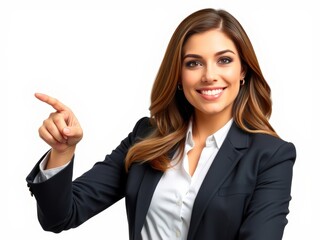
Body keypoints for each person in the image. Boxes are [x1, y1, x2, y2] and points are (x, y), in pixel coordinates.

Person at [26, 8, 296, 240]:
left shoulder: (271, 156)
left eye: (224, 60)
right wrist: (62, 150)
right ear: (178, 75)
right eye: (193, 63)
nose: (209, 76)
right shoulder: (146, 137)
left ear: (243, 71)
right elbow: (60, 217)